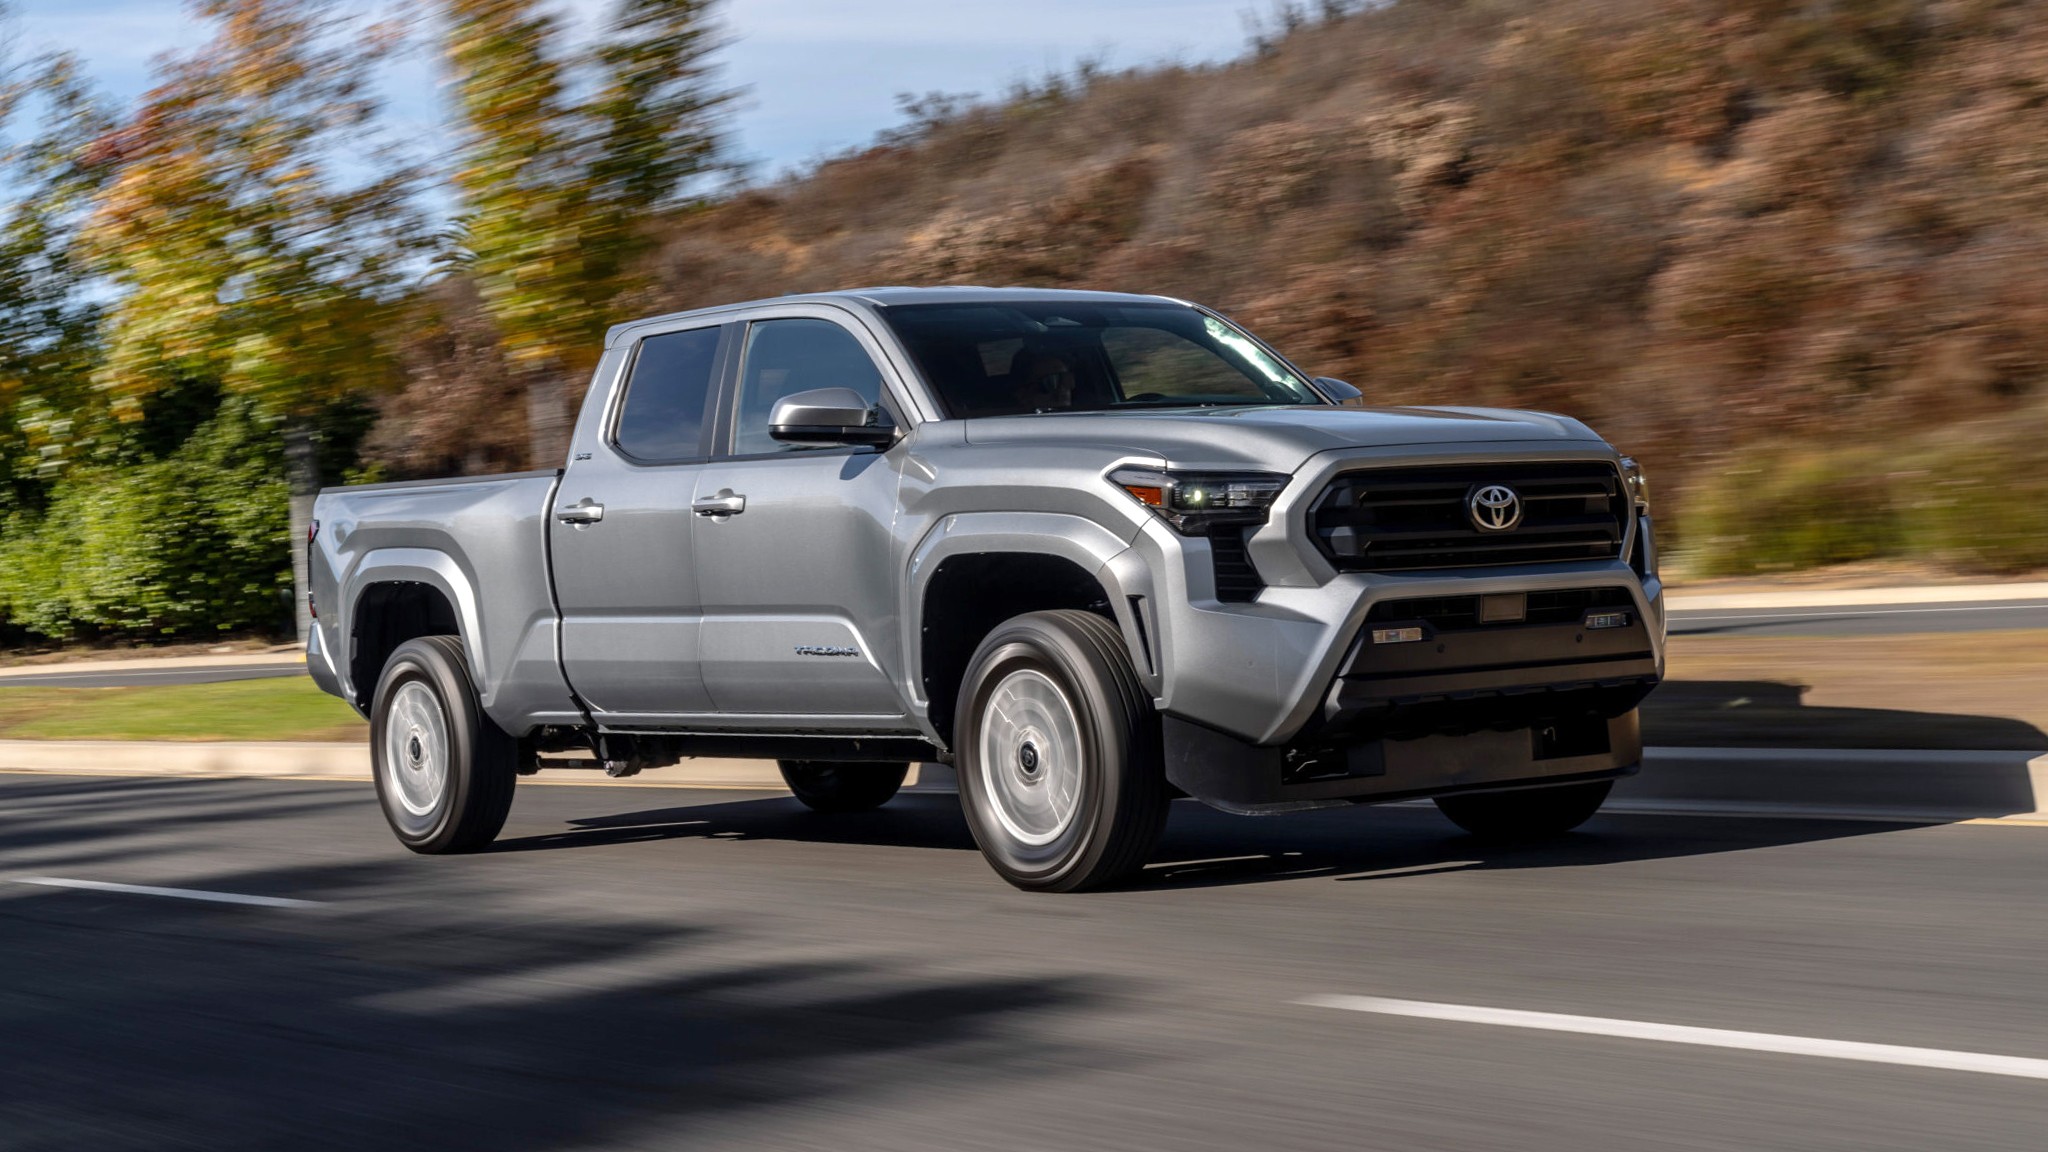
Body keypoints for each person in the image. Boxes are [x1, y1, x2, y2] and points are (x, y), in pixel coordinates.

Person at [1009, 345, 1077, 411]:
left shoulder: (1083, 418)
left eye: (1067, 379)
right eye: (1051, 382)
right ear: (1022, 394)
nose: (1062, 390)